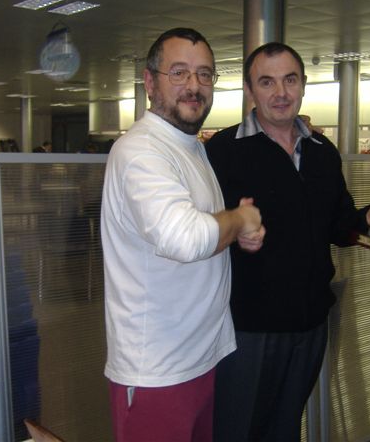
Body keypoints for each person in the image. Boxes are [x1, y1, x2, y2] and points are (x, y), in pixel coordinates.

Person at [205, 42, 370, 442]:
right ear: (250, 90)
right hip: (248, 329)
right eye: (266, 82)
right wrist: (236, 234)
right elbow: (202, 231)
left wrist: (368, 219)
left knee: (286, 428)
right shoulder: (224, 150)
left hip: (309, 325)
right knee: (237, 430)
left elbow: (339, 226)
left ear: (303, 84)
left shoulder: (322, 152)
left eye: (289, 80)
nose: (280, 93)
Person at [100, 27, 265, 442]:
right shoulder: (141, 150)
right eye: (179, 72)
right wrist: (240, 220)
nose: (194, 85)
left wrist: (236, 233)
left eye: (205, 74)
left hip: (199, 358)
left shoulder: (190, 147)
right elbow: (185, 239)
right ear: (150, 81)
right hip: (157, 371)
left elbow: (199, 230)